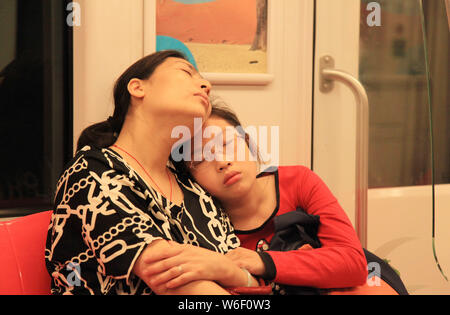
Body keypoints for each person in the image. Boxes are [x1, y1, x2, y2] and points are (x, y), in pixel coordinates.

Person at [44, 50, 261, 295]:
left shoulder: (195, 191)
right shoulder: (93, 170)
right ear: (137, 88)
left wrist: (224, 269)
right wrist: (225, 268)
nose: (206, 85)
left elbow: (251, 281)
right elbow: (169, 276)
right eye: (186, 72)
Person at [176, 99, 369, 294]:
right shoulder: (202, 228)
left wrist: (263, 261)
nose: (222, 162)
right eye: (200, 159)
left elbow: (353, 263)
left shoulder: (298, 181)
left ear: (248, 142)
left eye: (226, 143)